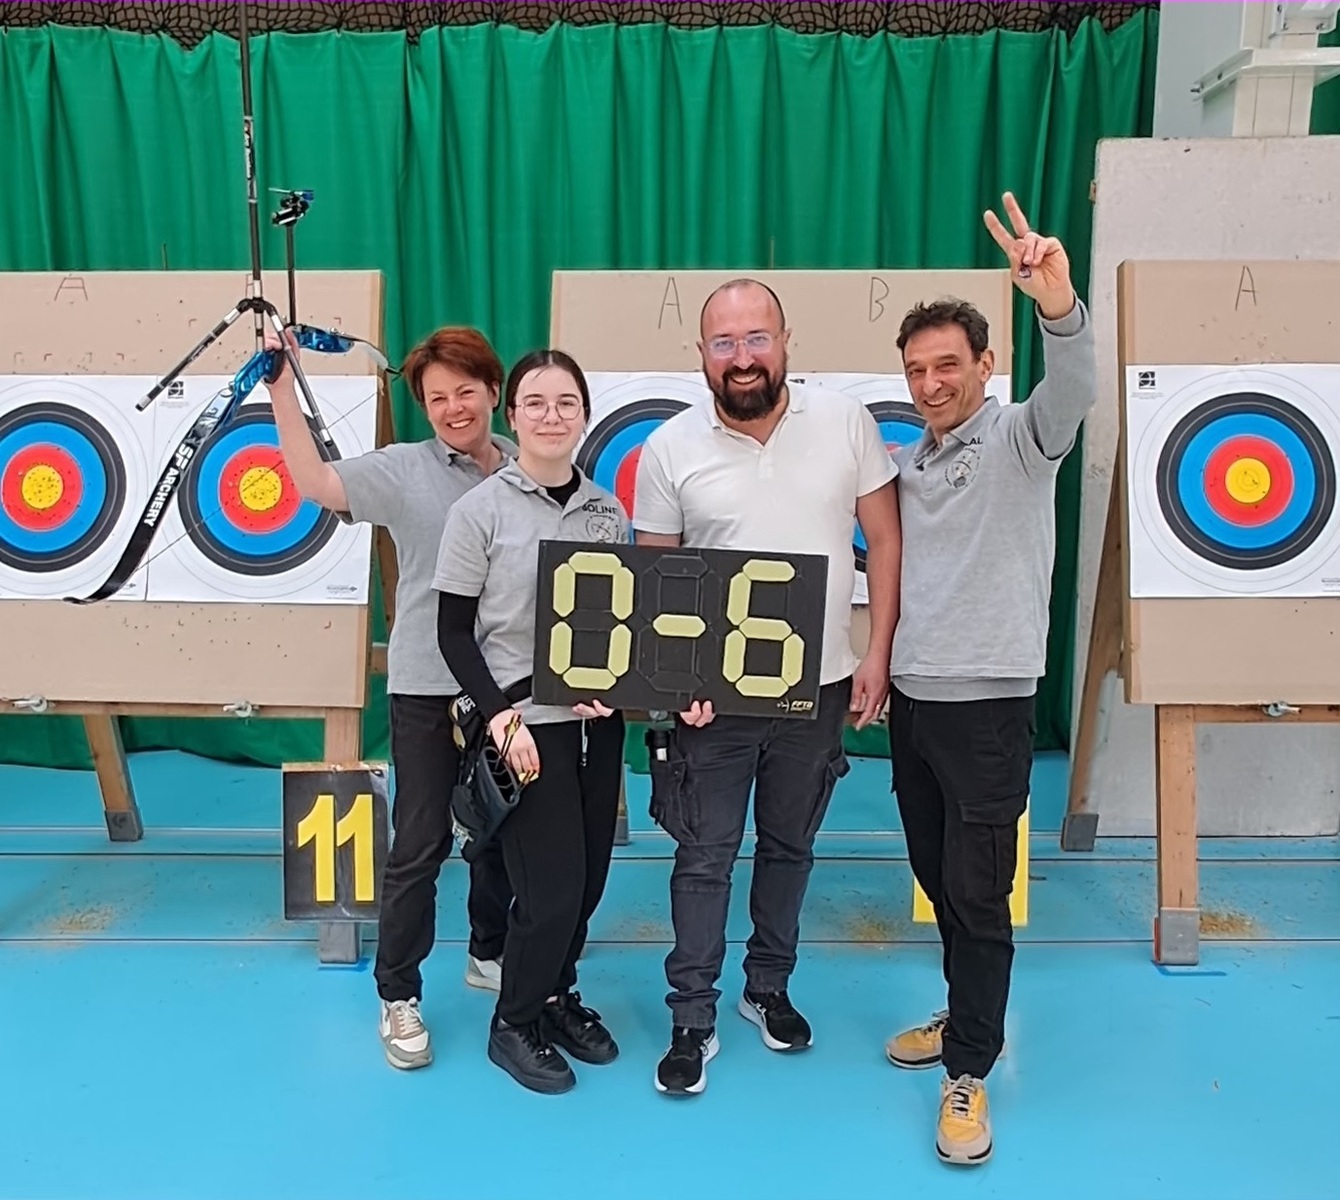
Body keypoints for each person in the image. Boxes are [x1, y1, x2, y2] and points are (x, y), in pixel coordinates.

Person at [632, 278, 903, 1096]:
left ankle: (767, 988)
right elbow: (655, 577)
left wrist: (876, 651)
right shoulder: (669, 448)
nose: (742, 357)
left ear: (786, 343)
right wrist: (676, 682)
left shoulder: (846, 423)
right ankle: (691, 1016)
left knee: (791, 846)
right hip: (714, 701)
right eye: (725, 342)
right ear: (702, 354)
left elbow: (885, 539)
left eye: (757, 338)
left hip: (817, 691)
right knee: (704, 856)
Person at [880, 193, 1096, 1167]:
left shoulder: (1020, 438)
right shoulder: (910, 464)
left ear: (984, 365)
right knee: (938, 879)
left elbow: (1074, 388)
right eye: (916, 371)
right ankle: (963, 1010)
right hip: (914, 706)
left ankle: (968, 1069)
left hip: (989, 710)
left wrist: (1057, 302)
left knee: (978, 893)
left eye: (946, 366)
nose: (931, 385)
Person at [263, 323, 515, 1071]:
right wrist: (282, 389)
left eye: (466, 391)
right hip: (429, 687)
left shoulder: (524, 469)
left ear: (493, 391)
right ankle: (398, 993)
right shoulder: (404, 469)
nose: (454, 408)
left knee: (503, 830)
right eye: (437, 398)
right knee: (422, 842)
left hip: (508, 690)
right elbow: (317, 483)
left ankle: (490, 952)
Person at [432, 348, 629, 1095]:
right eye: (536, 403)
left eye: (566, 403)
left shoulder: (607, 511)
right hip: (523, 727)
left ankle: (554, 995)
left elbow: (618, 620)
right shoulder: (478, 511)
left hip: (595, 724)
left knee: (588, 882)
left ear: (585, 415)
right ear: (512, 416)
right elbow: (453, 634)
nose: (552, 416)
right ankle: (512, 1021)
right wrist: (501, 717)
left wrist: (616, 687)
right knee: (548, 892)